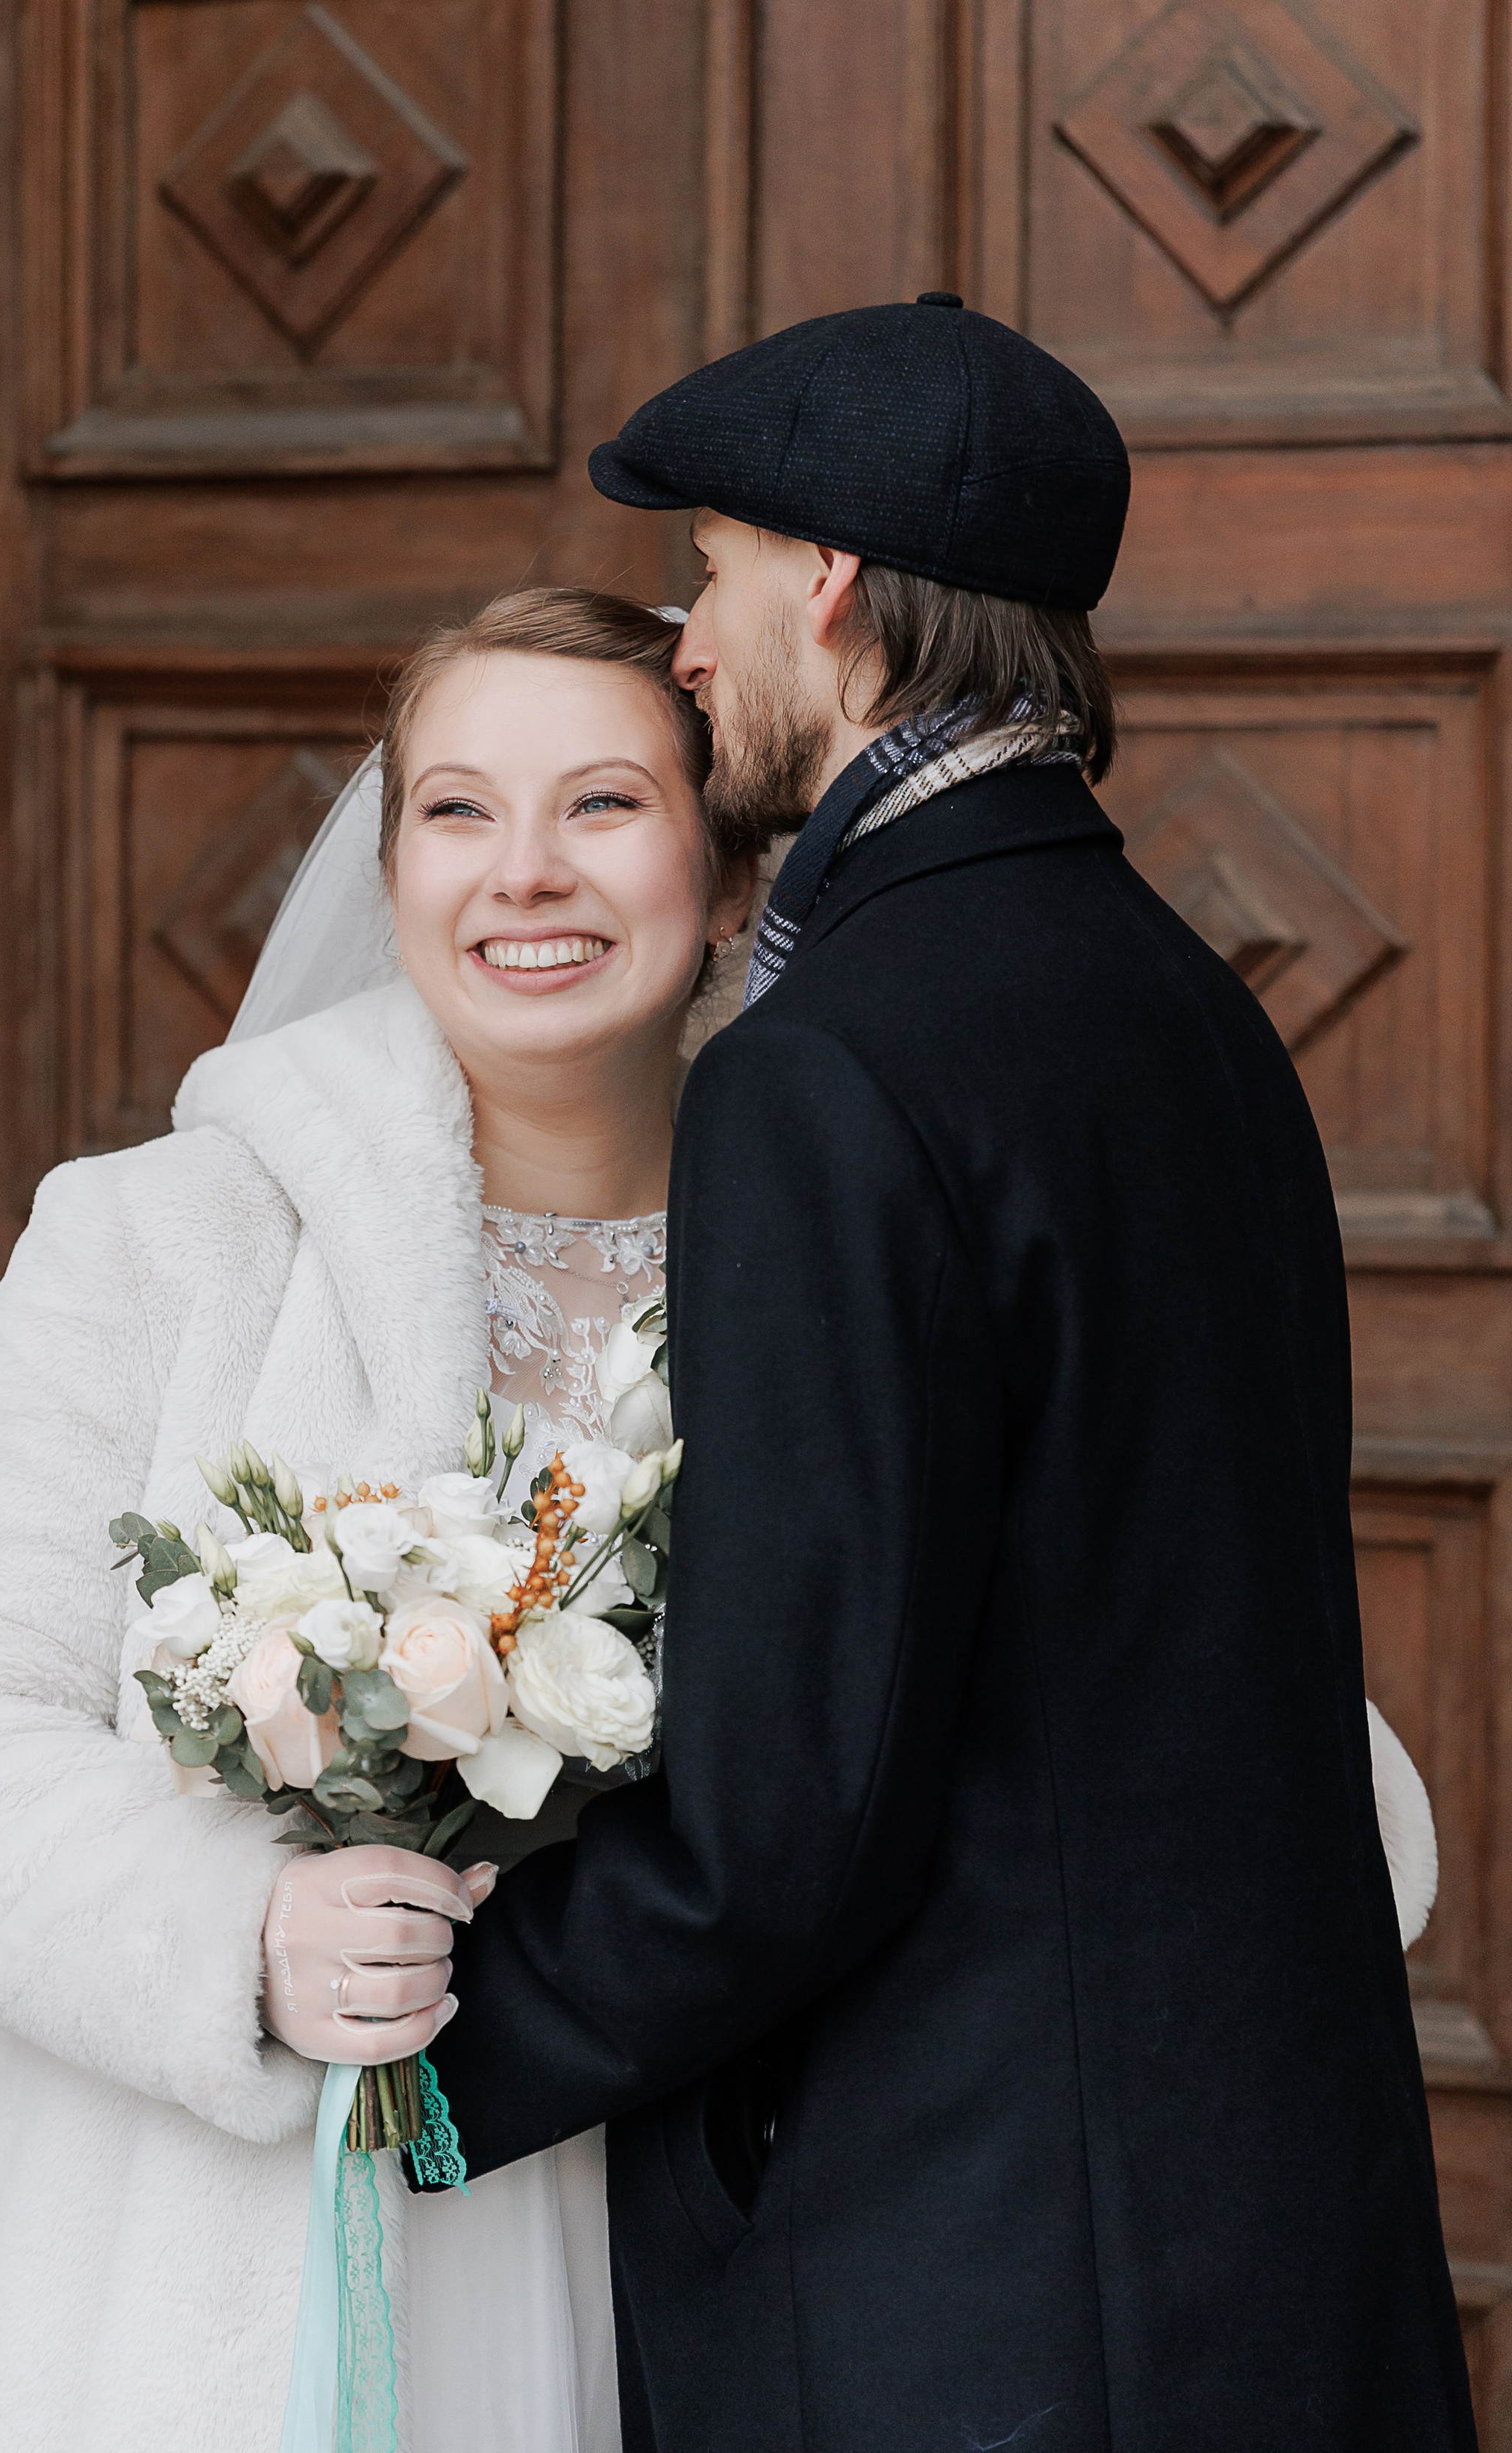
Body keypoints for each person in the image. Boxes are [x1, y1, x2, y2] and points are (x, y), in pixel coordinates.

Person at [404, 299, 1478, 2452]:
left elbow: (791, 1808)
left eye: (710, 571)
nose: (689, 644)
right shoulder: (1190, 1010)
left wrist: (418, 2077)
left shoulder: (831, 1070)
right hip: (1257, 2246)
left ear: (829, 584)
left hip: (968, 2285)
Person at [0, 589, 757, 2453]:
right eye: (459, 810)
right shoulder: (165, 1240)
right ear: (389, 864)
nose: (522, 875)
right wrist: (238, 1938)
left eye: (606, 807)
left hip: (698, 2220)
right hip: (234, 2245)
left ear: (726, 876)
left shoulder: (830, 1272)